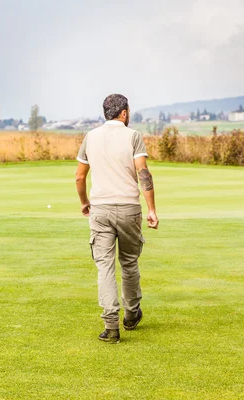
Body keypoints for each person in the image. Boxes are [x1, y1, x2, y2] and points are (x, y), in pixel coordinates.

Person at [75, 94, 159, 344]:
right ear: (124, 113)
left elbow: (79, 178)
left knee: (105, 266)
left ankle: (111, 325)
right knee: (130, 262)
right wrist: (152, 208)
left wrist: (84, 203)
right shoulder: (132, 135)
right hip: (129, 208)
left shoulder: (90, 137)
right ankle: (131, 315)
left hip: (100, 209)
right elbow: (142, 171)